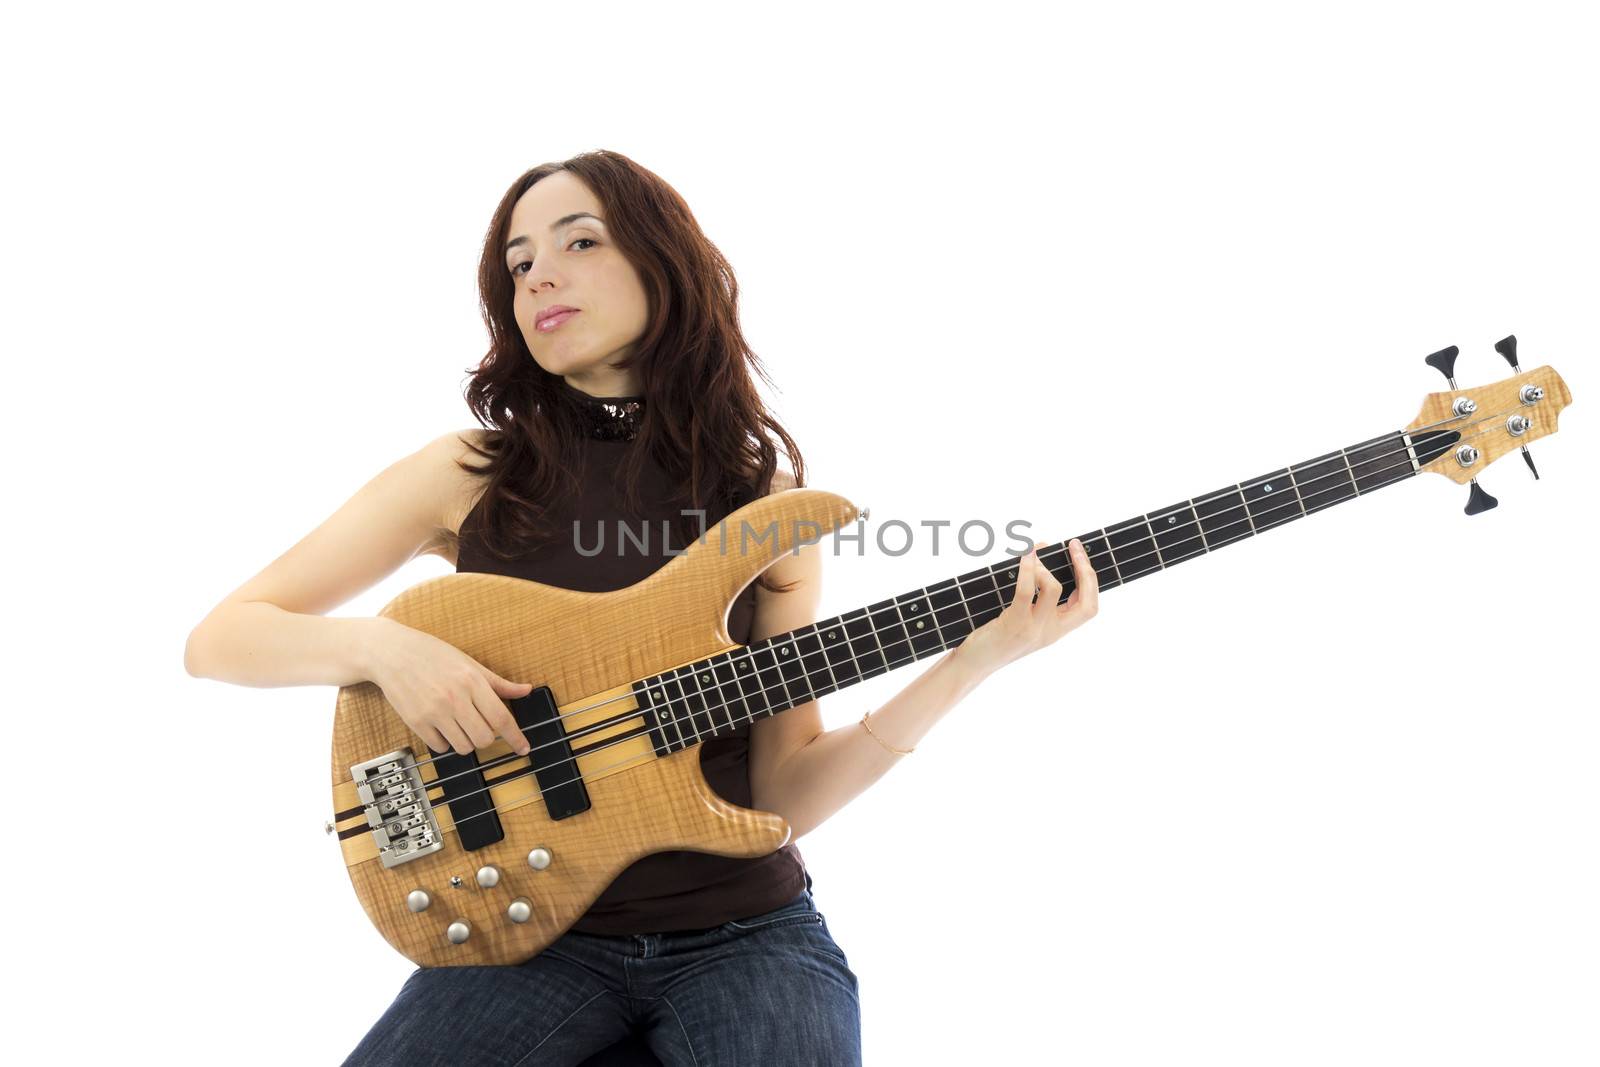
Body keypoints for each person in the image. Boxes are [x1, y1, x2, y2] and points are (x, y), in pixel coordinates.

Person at [183, 149, 1101, 1066]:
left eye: (579, 240)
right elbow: (220, 638)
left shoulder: (763, 502)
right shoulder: (467, 473)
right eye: (517, 261)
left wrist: (971, 661)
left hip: (745, 938)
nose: (539, 272)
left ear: (662, 263)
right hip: (529, 931)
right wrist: (386, 651)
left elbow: (784, 792)